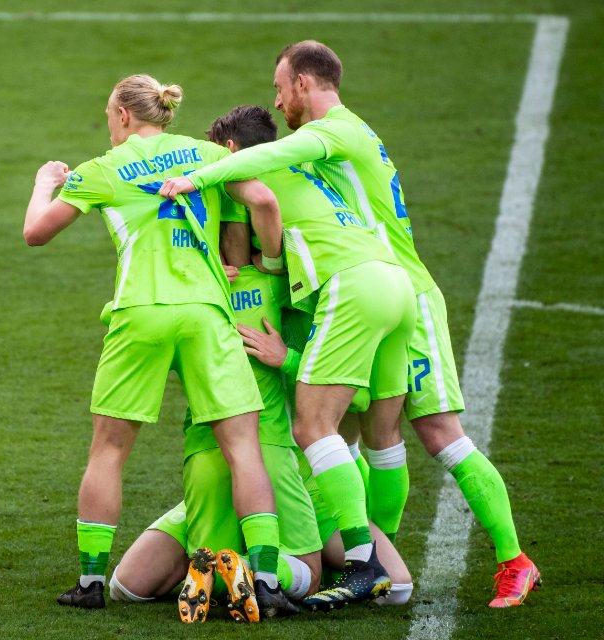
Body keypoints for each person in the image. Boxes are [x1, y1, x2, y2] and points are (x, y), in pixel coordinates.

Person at [166, 41, 540, 608]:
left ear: (303, 84)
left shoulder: (334, 132)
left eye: (280, 86)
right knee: (378, 436)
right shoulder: (327, 159)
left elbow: (261, 181)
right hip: (394, 285)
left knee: (367, 430)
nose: (277, 97)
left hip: (387, 284)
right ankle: (379, 563)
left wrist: (202, 173)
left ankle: (400, 562)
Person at [22, 74, 294, 618]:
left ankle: (91, 583)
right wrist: (267, 260)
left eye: (107, 113)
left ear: (123, 115)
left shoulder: (100, 170)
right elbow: (262, 197)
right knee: (244, 448)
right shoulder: (205, 153)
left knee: (110, 450)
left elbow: (35, 232)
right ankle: (265, 583)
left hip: (139, 314)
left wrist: (44, 183)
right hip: (206, 315)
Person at [161, 89, 420, 611]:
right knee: (371, 446)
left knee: (316, 434)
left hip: (277, 464)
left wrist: (286, 358)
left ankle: (332, 562)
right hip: (392, 282)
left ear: (230, 151)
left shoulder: (287, 283)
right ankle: (289, 567)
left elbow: (258, 199)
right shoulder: (289, 271)